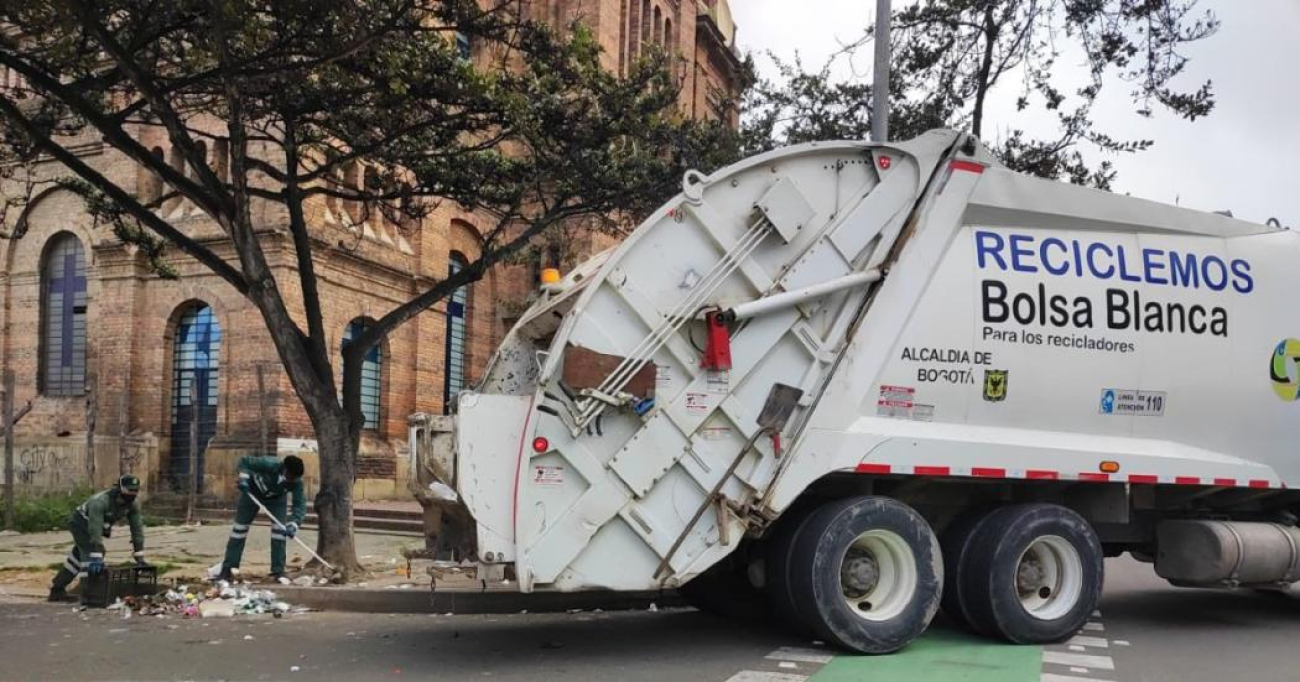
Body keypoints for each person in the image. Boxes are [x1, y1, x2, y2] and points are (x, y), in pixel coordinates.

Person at [48, 475, 147, 602]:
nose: (132, 494)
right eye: (129, 490)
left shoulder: (133, 504)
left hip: (96, 526)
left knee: (77, 558)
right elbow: (95, 529)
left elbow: (137, 528)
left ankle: (57, 589)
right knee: (91, 555)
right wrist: (96, 553)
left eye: (135, 490)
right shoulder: (100, 502)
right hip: (81, 522)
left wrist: (139, 555)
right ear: (120, 489)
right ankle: (88, 594)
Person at [218, 454, 306, 582]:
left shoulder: (297, 481)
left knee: (279, 533)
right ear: (285, 469)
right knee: (239, 530)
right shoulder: (269, 464)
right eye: (291, 476)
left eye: (295, 478)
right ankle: (228, 568)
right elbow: (245, 461)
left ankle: (278, 571)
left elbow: (299, 504)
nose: (292, 480)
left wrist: (294, 523)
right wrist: (244, 479)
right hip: (252, 493)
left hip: (276, 500)